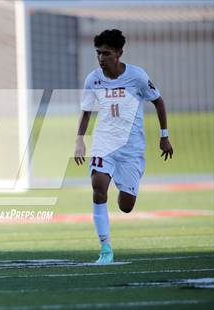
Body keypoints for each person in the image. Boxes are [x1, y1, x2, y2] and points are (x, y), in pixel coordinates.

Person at [74, 29, 173, 264]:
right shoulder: (93, 79)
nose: (101, 58)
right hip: (104, 143)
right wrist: (79, 140)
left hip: (131, 150)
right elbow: (86, 112)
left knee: (126, 206)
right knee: (98, 187)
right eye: (98, 53)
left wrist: (164, 136)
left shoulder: (137, 77)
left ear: (119, 53)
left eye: (106, 53)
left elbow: (158, 102)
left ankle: (124, 186)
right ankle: (105, 248)